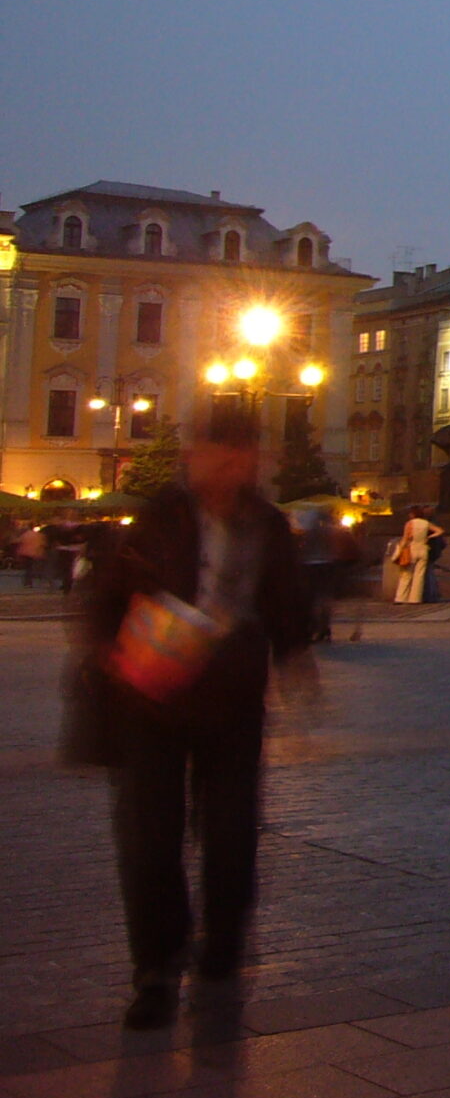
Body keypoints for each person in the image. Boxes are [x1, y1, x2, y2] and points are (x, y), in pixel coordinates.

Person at [77, 408, 315, 1030]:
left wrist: (296, 660)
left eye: (244, 455)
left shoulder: (266, 524)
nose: (231, 467)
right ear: (195, 453)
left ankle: (221, 957)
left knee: (233, 837)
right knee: (150, 841)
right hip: (150, 702)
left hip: (232, 704)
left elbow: (287, 603)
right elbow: (107, 600)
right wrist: (110, 660)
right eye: (220, 452)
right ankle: (156, 971)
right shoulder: (157, 517)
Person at [388, 505, 439, 604]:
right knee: (419, 576)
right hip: (423, 549)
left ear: (413, 514)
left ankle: (400, 598)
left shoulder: (410, 524)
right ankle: (415, 599)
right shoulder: (426, 523)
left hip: (412, 549)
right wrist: (429, 537)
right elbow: (440, 531)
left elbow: (405, 538)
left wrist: (399, 550)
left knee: (406, 574)